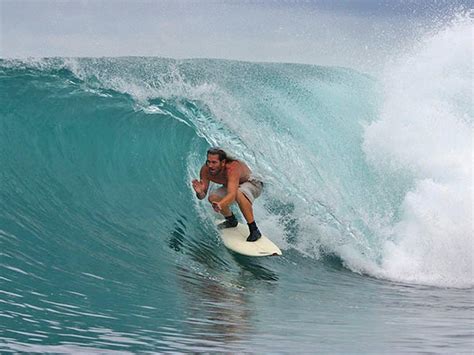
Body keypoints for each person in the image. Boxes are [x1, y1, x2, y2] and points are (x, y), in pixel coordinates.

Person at [192, 147, 264, 242]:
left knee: (238, 192)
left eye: (214, 162)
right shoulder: (205, 170)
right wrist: (200, 192)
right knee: (213, 197)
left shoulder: (232, 168)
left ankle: (254, 230)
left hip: (253, 184)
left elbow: (232, 194)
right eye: (208, 162)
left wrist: (221, 205)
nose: (210, 165)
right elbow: (202, 197)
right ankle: (231, 220)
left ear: (223, 162)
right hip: (234, 186)